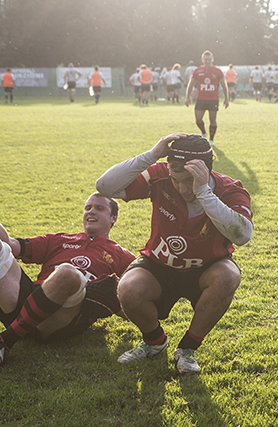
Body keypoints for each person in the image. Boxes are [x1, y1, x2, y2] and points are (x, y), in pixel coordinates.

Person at [95, 133, 253, 374]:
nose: (182, 188)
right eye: (175, 180)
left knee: (228, 276)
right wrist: (151, 155)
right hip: (159, 264)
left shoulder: (230, 189)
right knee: (128, 288)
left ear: (206, 170)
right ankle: (154, 342)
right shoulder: (160, 176)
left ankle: (187, 349)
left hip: (206, 267)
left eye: (189, 180)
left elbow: (242, 235)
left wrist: (203, 192)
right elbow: (105, 187)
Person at [0, 194, 135, 365]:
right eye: (88, 208)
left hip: (61, 318)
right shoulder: (59, 239)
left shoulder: (123, 256)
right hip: (25, 303)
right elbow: (11, 245)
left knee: (68, 273)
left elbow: (137, 302)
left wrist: (114, 302)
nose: (91, 211)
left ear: (113, 217)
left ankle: (6, 340)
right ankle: (9, 337)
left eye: (99, 208)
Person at [184, 50, 228, 148]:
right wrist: (187, 97)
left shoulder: (217, 71)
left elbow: (224, 85)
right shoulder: (197, 70)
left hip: (213, 99)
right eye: (205, 59)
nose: (207, 61)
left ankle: (211, 139)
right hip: (201, 99)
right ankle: (204, 132)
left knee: (213, 119)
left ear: (212, 59)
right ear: (202, 60)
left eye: (209, 59)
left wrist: (226, 99)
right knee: (198, 119)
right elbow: (191, 84)